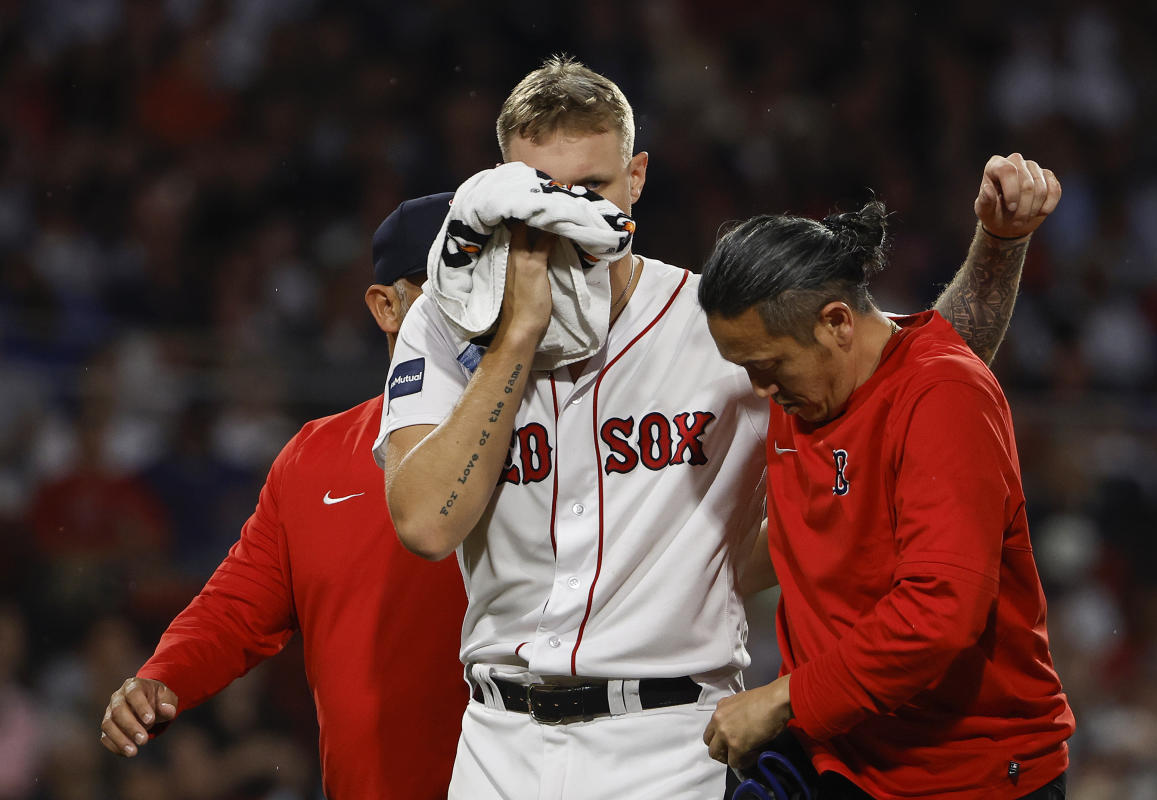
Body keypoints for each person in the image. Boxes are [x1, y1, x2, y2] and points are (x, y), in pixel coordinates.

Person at [376, 55, 1050, 800]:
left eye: (592, 188)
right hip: (498, 741)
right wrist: (516, 337)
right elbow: (427, 525)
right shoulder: (448, 324)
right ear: (503, 184)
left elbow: (900, 370)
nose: (565, 214)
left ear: (635, 180)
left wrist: (999, 246)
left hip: (668, 744)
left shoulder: (718, 326)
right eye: (541, 191)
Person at [698, 172, 1075, 799]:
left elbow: (938, 614)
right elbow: (810, 533)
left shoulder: (944, 398)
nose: (760, 391)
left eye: (766, 367)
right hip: (837, 753)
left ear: (838, 322)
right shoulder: (816, 382)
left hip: (962, 774)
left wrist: (785, 698)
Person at [99, 194, 469, 800]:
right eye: (449, 280)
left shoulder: (554, 432)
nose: (474, 302)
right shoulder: (314, 457)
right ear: (386, 306)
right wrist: (164, 678)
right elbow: (237, 608)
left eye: (489, 278)